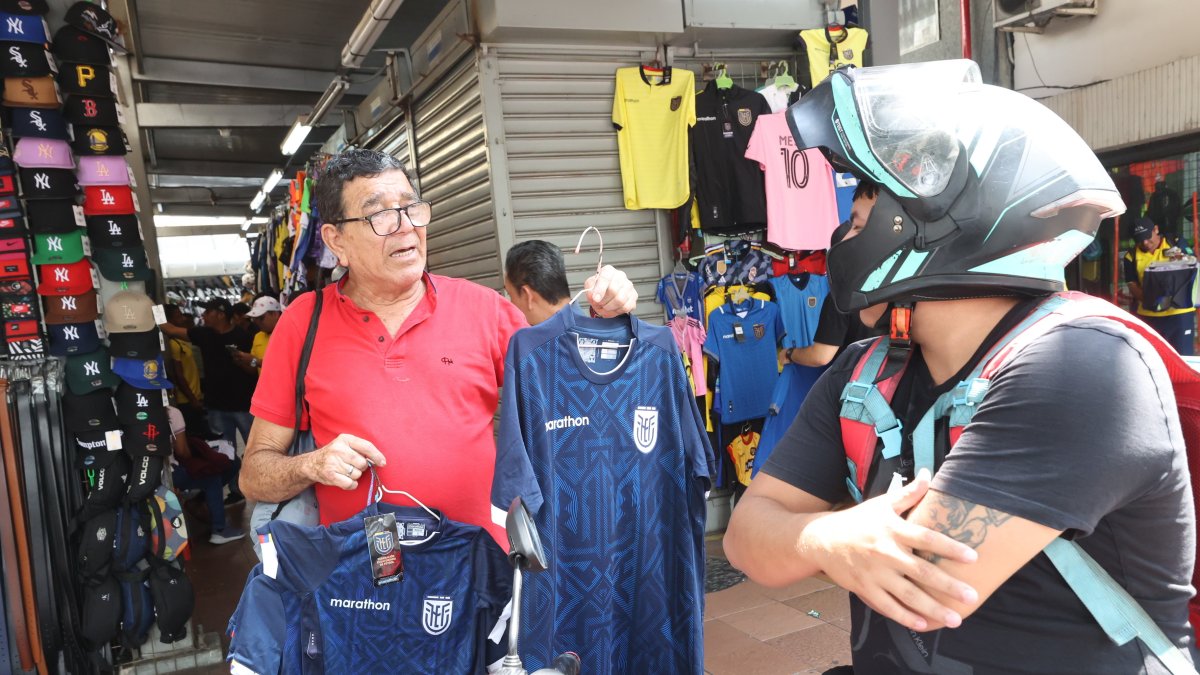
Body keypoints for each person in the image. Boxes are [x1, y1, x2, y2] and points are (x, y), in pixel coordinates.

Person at [723, 60, 1195, 673]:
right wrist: (826, 539)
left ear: (946, 226)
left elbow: (926, 585)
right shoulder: (862, 373)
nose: (843, 237)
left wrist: (812, 537)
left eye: (862, 221)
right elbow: (744, 538)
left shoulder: (1082, 362)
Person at [234, 149, 637, 546]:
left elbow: (580, 398)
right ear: (336, 240)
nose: (405, 226)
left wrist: (609, 318)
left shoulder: (484, 309)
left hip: (481, 577)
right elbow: (254, 474)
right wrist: (313, 465)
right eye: (379, 215)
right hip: (358, 587)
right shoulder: (304, 322)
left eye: (411, 208)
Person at [159, 297, 257, 503]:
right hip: (217, 406)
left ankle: (264, 487)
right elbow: (170, 330)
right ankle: (235, 490)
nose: (202, 315)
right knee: (225, 452)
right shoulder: (203, 334)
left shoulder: (244, 336)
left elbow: (255, 369)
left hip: (245, 405)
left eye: (207, 312)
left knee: (257, 450)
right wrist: (152, 307)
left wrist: (241, 361)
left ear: (220, 314)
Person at [783, 180, 886, 369]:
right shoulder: (908, 290)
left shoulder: (841, 297)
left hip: (855, 387)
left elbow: (821, 356)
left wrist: (789, 354)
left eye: (859, 228)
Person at [166, 406, 244, 544]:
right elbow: (182, 450)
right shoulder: (171, 412)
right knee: (212, 478)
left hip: (143, 476)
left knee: (214, 471)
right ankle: (219, 529)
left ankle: (199, 500)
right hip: (170, 473)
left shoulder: (127, 411)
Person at [1123, 216, 1196, 355]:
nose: (1145, 242)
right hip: (1149, 315)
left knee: (1183, 358)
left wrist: (1181, 257)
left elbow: (1193, 264)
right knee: (1153, 358)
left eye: (1147, 236)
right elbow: (1132, 284)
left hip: (1179, 314)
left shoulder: (1174, 242)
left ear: (1156, 229)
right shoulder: (1131, 256)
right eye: (1139, 239)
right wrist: (1151, 302)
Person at [503, 240, 571, 326]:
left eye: (510, 295)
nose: (511, 305)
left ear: (527, 295)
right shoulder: (591, 330)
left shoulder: (524, 338)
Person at [164, 303, 206, 434]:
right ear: (169, 321)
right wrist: (193, 399)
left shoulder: (182, 341)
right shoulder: (173, 344)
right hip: (186, 400)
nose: (182, 319)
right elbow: (178, 375)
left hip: (195, 396)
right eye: (178, 316)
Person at [232, 295, 281, 374]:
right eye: (254, 319)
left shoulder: (288, 335)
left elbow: (281, 367)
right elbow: (255, 369)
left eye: (261, 318)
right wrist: (243, 362)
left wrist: (255, 361)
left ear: (275, 314)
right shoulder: (258, 337)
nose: (257, 322)